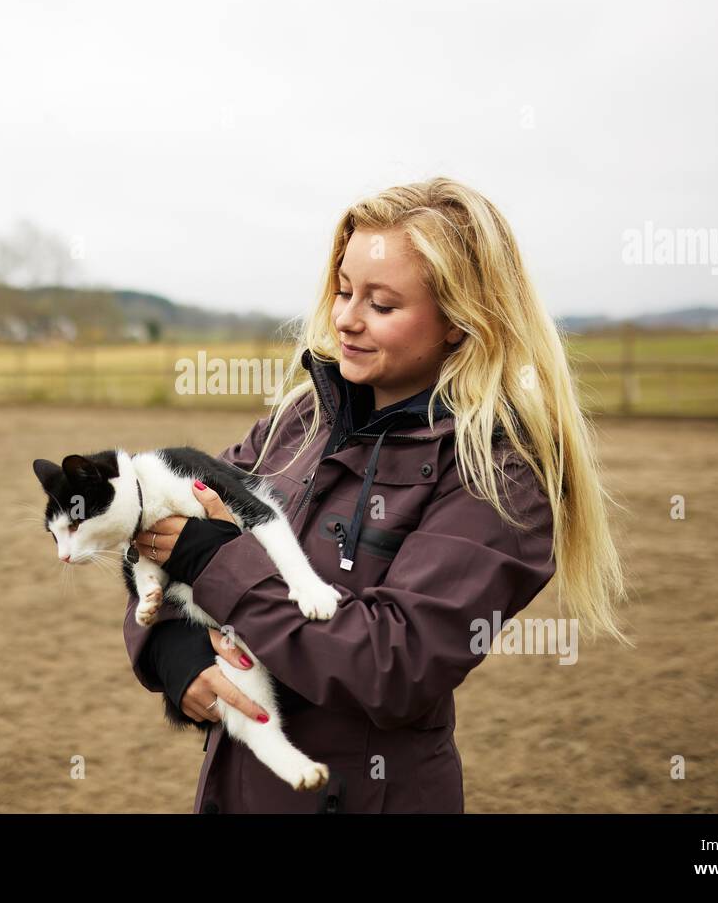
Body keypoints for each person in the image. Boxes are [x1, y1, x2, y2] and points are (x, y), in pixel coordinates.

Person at [122, 176, 631, 812]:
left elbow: (394, 664)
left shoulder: (499, 471)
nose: (345, 319)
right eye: (342, 291)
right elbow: (156, 537)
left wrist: (216, 561)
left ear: (460, 321)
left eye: (382, 306)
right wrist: (174, 653)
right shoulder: (297, 421)